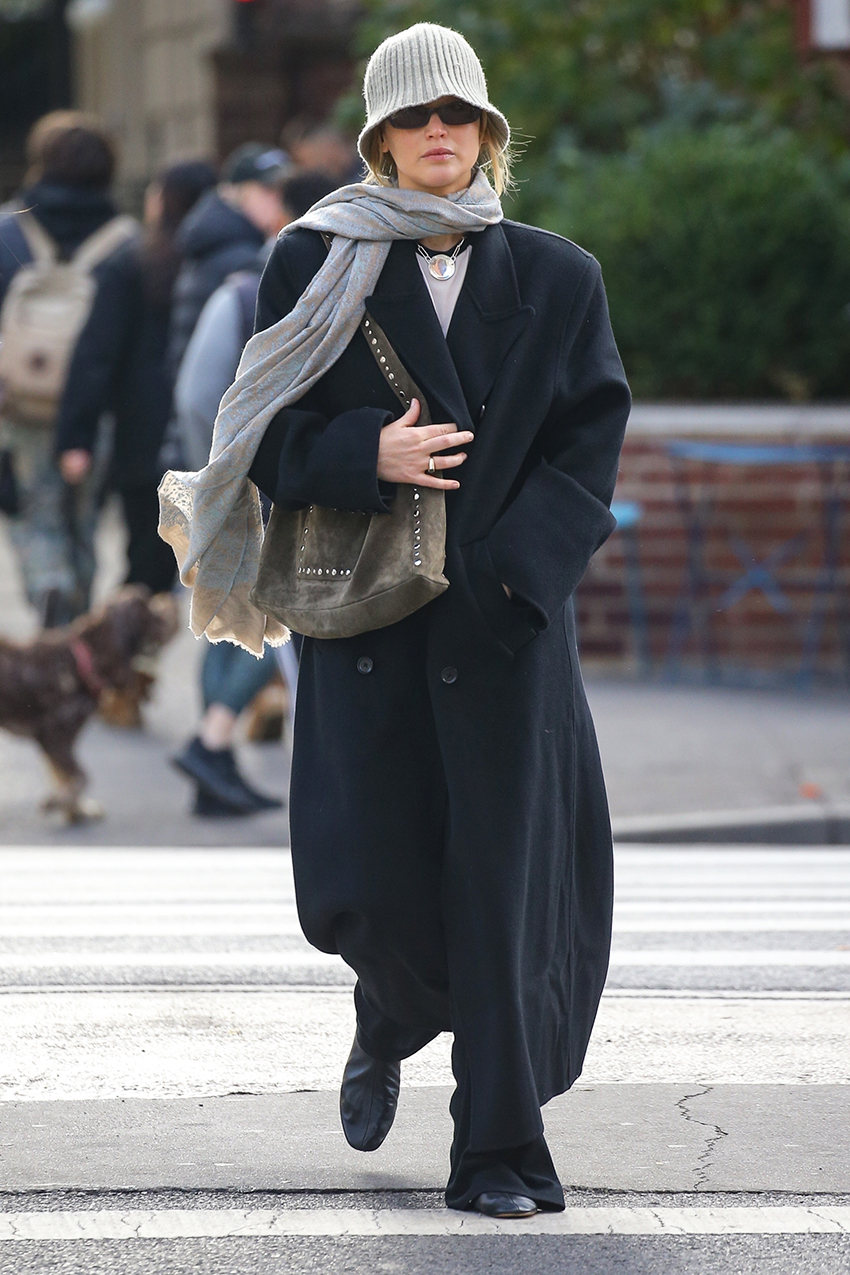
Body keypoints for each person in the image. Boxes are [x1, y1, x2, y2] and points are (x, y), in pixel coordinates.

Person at [159, 23, 630, 1216]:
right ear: (377, 138)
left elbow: (587, 447)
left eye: (458, 116)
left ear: (485, 135)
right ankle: (386, 1013)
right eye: (414, 118)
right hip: (367, 627)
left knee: (504, 891)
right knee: (373, 881)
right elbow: (256, 436)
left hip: (502, 629)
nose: (438, 133)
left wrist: (519, 579)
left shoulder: (558, 274)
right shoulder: (313, 261)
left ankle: (499, 1148)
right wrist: (360, 453)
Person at [167, 169, 318, 816]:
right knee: (281, 613)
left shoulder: (239, 279)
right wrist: (234, 470)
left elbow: (195, 391)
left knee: (226, 611)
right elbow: (202, 395)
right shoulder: (262, 286)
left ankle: (214, 767)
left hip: (229, 475)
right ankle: (212, 741)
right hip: (255, 482)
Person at [56, 160, 217, 596]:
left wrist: (77, 436)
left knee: (147, 564)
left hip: (143, 441)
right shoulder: (223, 266)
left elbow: (96, 356)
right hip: (210, 438)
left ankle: (130, 654)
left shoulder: (133, 265)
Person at [0, 111, 136, 627]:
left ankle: (48, 591)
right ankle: (76, 622)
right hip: (95, 413)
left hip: (20, 410)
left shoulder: (8, 231)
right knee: (85, 526)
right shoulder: (122, 242)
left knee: (36, 522)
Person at [166, 143, 291, 384]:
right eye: (267, 189)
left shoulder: (224, 238)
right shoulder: (240, 257)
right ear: (234, 192)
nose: (278, 199)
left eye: (282, 190)